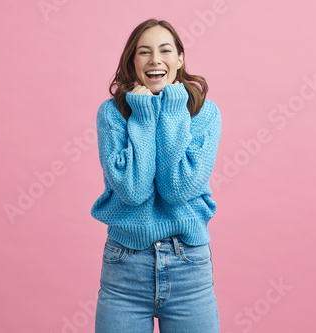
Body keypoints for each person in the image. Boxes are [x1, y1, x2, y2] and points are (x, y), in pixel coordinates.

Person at [90, 18, 222, 332]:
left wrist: (174, 110)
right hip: (125, 269)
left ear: (180, 59)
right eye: (144, 52)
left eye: (165, 50)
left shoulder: (205, 113)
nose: (155, 60)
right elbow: (133, 190)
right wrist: (145, 114)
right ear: (132, 62)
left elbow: (177, 189)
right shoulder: (112, 113)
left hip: (189, 268)